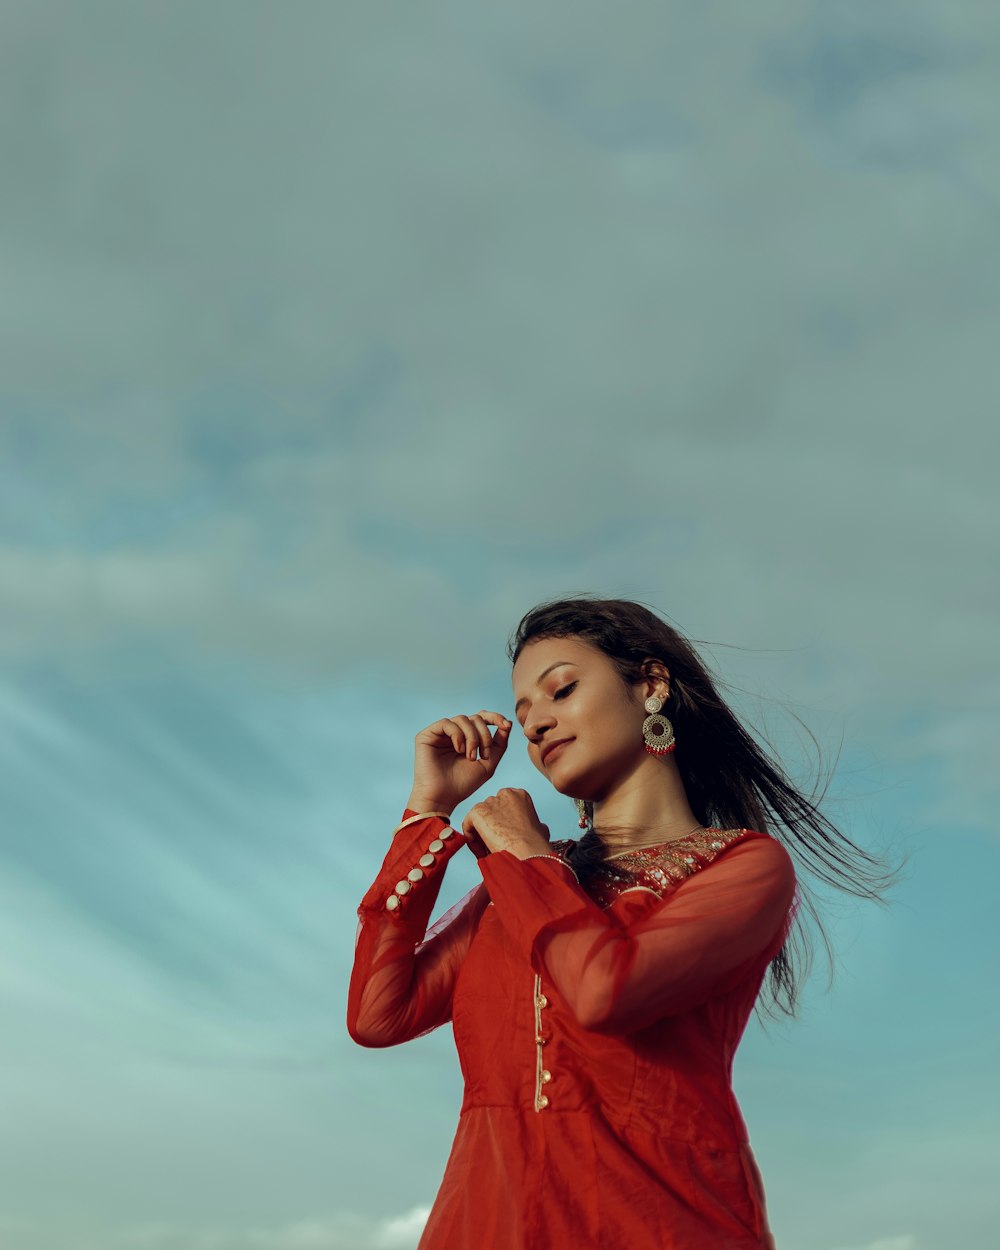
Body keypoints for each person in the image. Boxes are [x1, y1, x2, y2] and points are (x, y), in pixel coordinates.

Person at [347, 597, 894, 1249]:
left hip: (662, 1224)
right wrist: (428, 808)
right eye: (524, 716)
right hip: (486, 1224)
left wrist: (524, 857)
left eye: (562, 690)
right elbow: (379, 1016)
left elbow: (606, 991)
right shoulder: (523, 886)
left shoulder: (743, 867)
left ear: (652, 686)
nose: (538, 725)